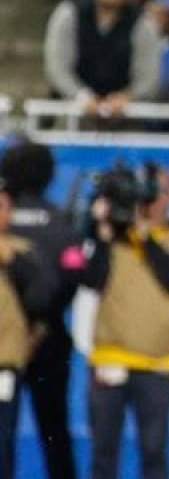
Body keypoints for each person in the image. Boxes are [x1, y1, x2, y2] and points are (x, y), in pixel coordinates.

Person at [80, 162, 169, 479]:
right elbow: (92, 279)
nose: (149, 200)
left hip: (157, 363)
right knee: (103, 454)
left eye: (156, 192)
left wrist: (142, 233)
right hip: (110, 358)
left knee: (153, 452)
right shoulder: (115, 238)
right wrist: (100, 234)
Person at [0, 139, 81, 479]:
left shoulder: (5, 222)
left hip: (5, 342)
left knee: (2, 437)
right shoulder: (62, 223)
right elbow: (74, 275)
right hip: (50, 339)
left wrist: (23, 326)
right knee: (54, 431)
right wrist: (43, 323)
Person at [44, 0, 162, 120]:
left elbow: (148, 77)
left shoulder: (143, 24)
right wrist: (81, 97)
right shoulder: (69, 14)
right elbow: (57, 68)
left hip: (125, 116)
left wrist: (128, 97)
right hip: (70, 111)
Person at [0, 181, 51, 479]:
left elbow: (42, 296)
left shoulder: (23, 250)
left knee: (2, 444)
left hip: (5, 360)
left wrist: (10, 259)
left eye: (3, 206)